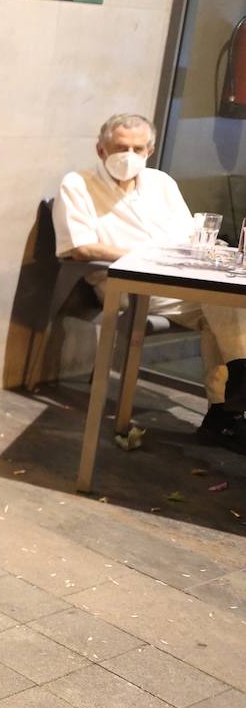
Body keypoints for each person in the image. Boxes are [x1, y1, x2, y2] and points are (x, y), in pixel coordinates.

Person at [54, 112, 246, 453]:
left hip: (178, 280)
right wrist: (147, 255)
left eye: (137, 148)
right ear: (101, 149)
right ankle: (229, 411)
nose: (128, 155)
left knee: (225, 306)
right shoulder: (77, 184)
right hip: (125, 282)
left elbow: (191, 235)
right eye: (119, 147)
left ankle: (223, 416)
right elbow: (79, 246)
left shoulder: (162, 183)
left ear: (150, 150)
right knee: (223, 306)